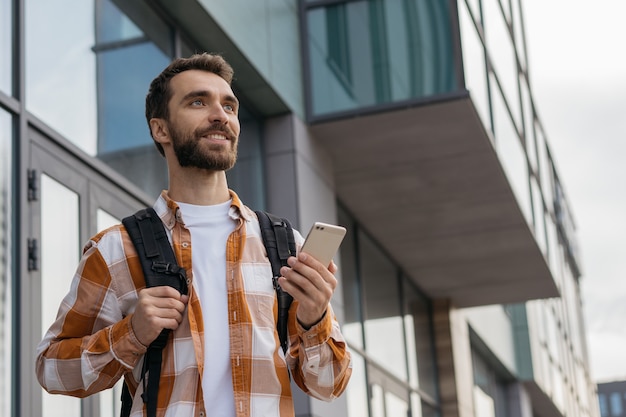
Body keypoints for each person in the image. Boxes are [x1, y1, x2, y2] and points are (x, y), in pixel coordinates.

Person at [36, 52, 352, 417]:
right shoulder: (116, 250)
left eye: (229, 106)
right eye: (198, 102)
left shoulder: (284, 245)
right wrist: (132, 333)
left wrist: (314, 318)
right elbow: (51, 370)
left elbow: (330, 385)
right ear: (161, 129)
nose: (220, 115)